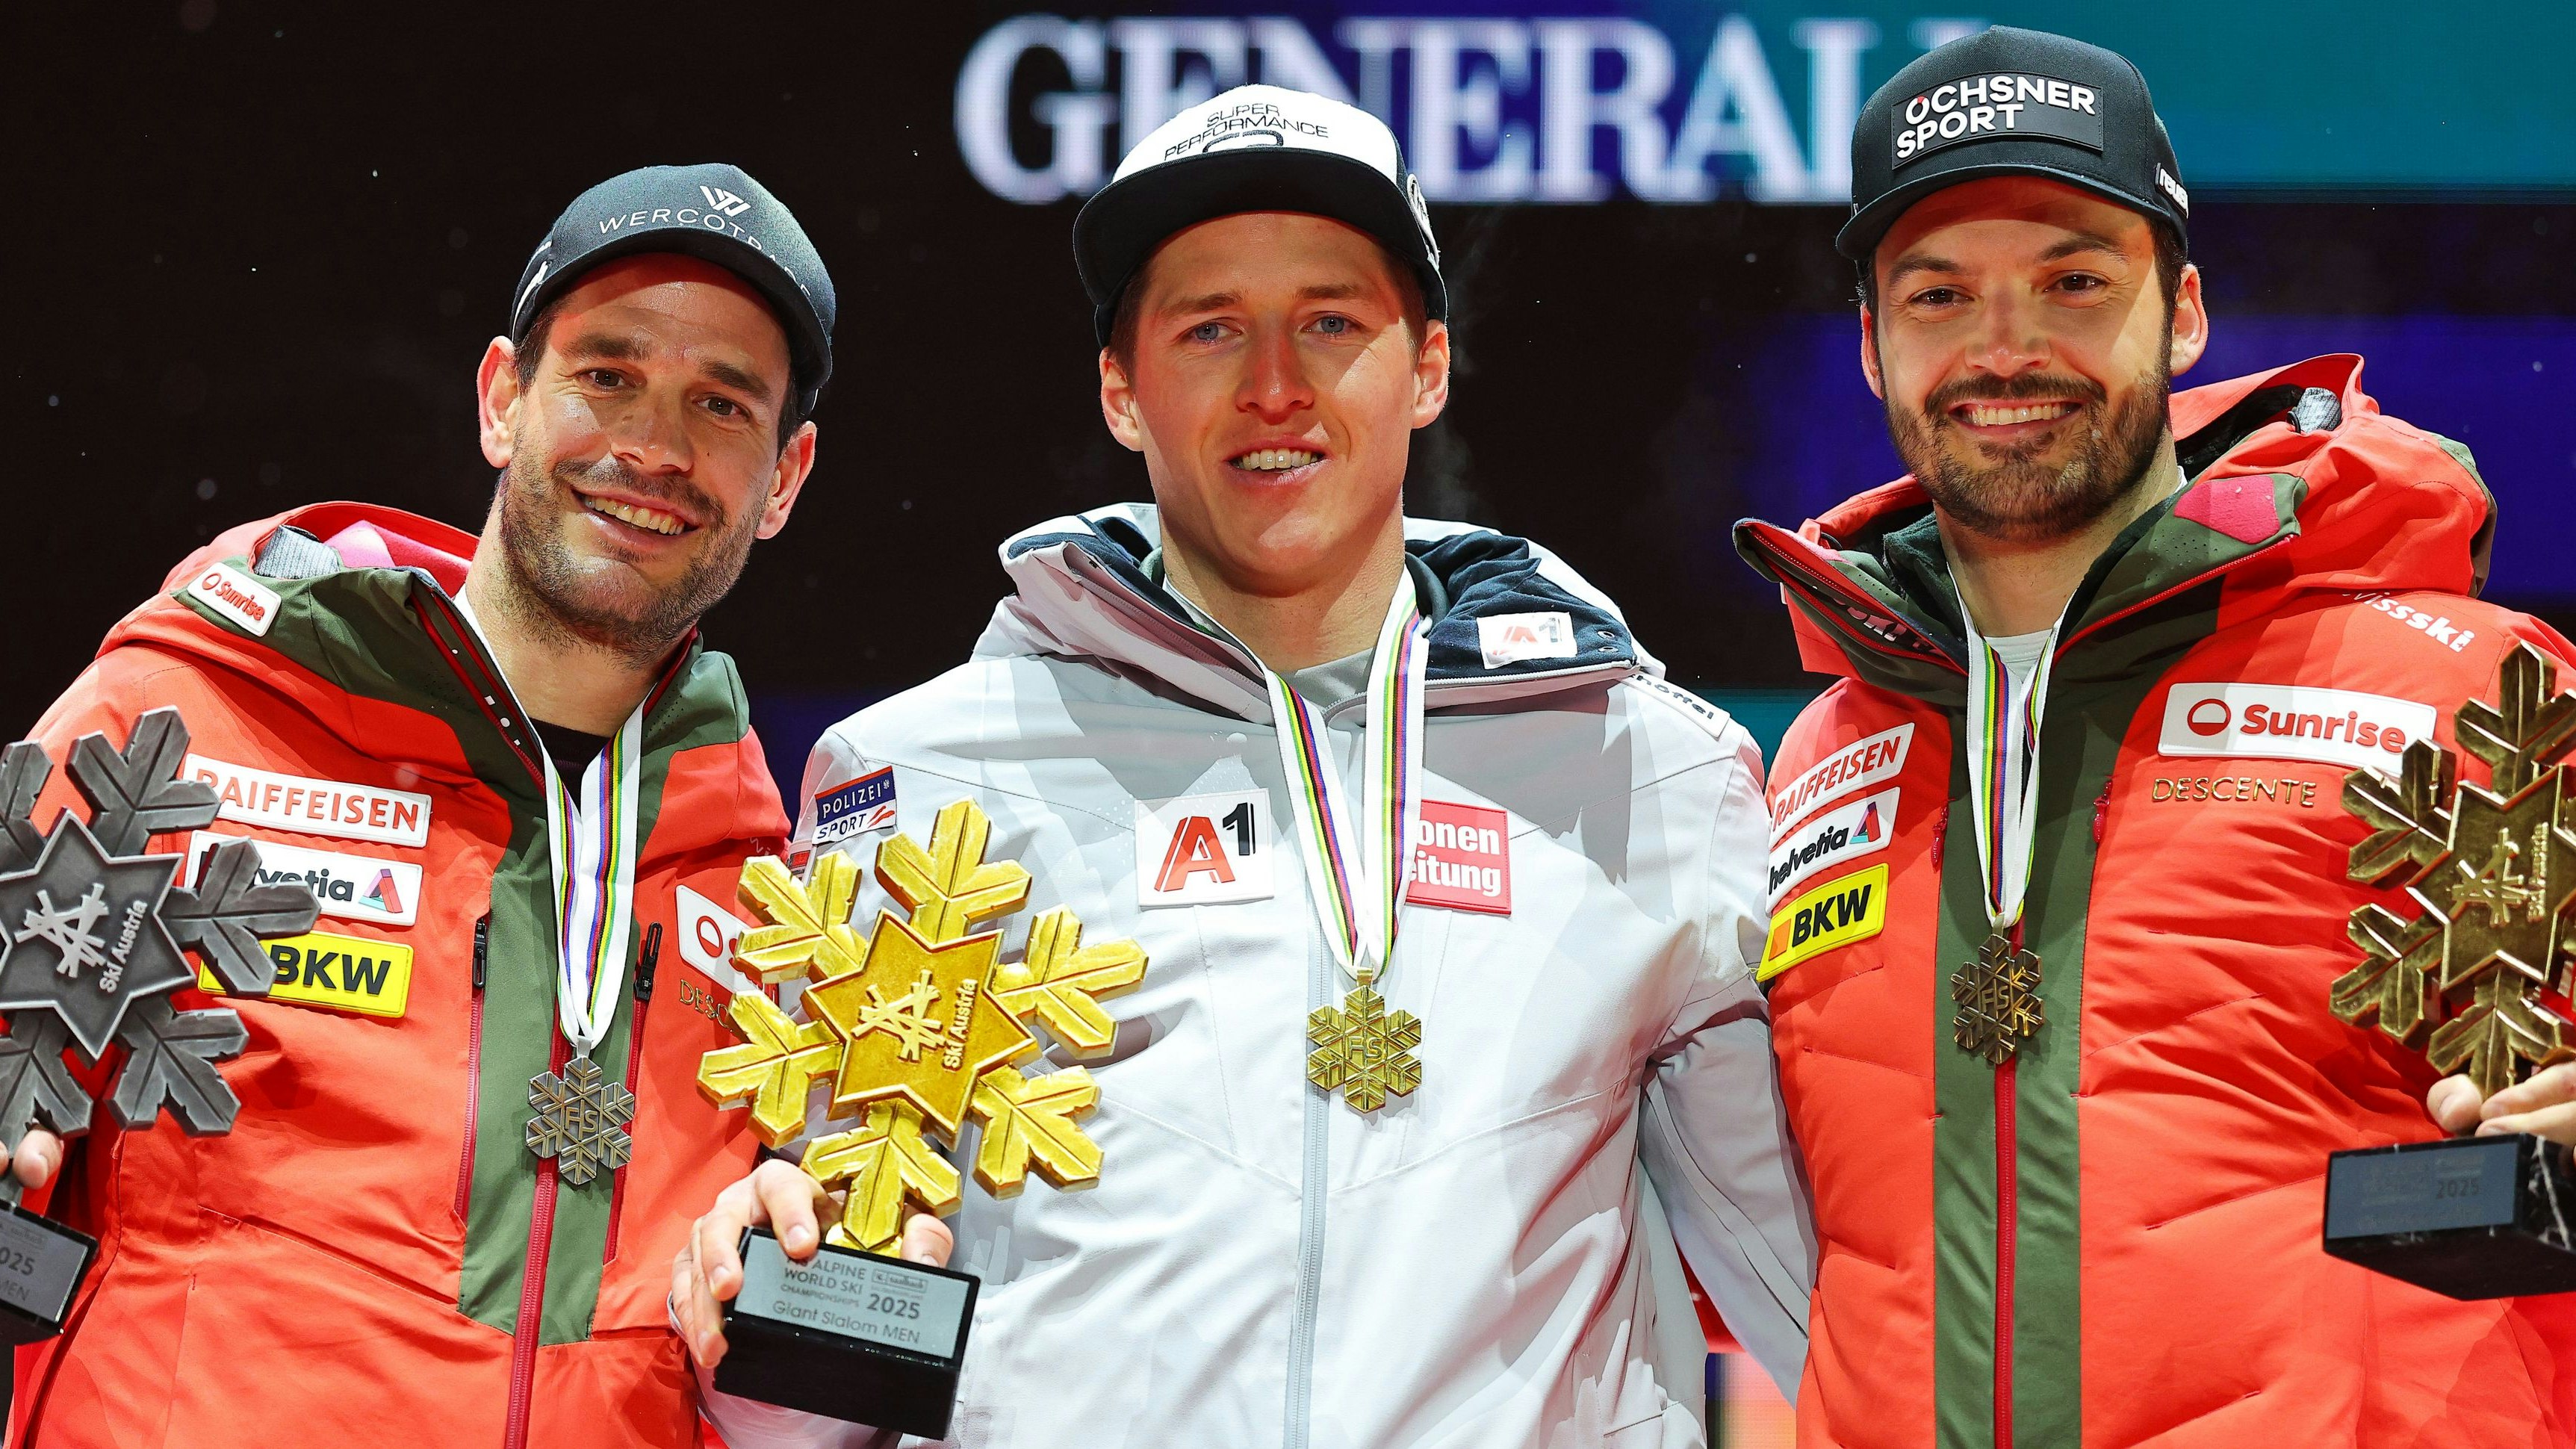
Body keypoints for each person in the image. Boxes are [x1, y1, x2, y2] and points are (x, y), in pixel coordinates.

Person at [673, 85, 1814, 1447]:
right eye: (1209, 328)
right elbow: (803, 1415)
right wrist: (783, 1301)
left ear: (1430, 365)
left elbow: (1834, 1302)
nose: (1275, 384)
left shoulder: (1650, 775)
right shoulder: (924, 779)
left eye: (1331, 321)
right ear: (1120, 388)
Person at [1734, 25, 2576, 1448]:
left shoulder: (2467, 689)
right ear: (1874, 344)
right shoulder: (1816, 753)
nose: (2003, 348)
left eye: (2071, 281)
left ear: (2180, 310)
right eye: (1939, 296)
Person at [6, 164, 834, 1448]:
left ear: (784, 480)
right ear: (504, 398)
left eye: (721, 406)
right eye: (607, 375)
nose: (656, 450)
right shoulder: (181, 717)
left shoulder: (769, 879)